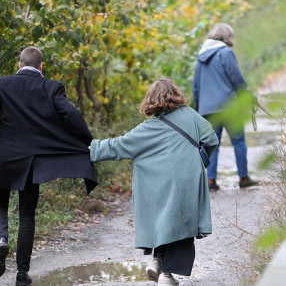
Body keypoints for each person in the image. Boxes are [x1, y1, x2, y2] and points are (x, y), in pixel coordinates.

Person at [0, 46, 98, 286]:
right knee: (27, 214)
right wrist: (89, 141)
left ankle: (1, 241)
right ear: (42, 67)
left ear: (19, 64)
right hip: (32, 162)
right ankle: (22, 273)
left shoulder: (1, 85)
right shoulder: (52, 87)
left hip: (1, 158)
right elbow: (71, 116)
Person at [89, 78, 218, 286]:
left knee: (166, 221)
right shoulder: (191, 116)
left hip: (161, 184)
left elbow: (119, 146)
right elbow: (211, 139)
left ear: (151, 100)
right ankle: (165, 272)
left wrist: (91, 148)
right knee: (181, 225)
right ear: (176, 94)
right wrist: (198, 161)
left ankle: (159, 264)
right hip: (188, 181)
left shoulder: (149, 128)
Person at [192, 22, 259, 192]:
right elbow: (236, 78)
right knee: (238, 141)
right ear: (227, 36)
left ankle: (210, 181)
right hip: (229, 106)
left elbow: (196, 86)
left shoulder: (201, 56)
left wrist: (200, 107)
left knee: (212, 145)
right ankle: (243, 178)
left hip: (208, 109)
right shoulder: (225, 52)